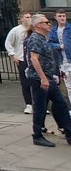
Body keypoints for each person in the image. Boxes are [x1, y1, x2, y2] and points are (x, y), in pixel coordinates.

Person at [26, 13, 71, 147]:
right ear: (38, 25)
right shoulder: (35, 39)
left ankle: (69, 133)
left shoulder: (43, 38)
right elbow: (34, 59)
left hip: (49, 78)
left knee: (61, 104)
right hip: (40, 79)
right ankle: (37, 135)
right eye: (46, 22)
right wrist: (43, 78)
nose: (49, 24)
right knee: (40, 107)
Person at [6, 11, 34, 114]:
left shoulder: (34, 29)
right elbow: (8, 43)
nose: (29, 19)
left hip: (34, 59)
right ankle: (29, 104)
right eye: (26, 17)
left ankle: (40, 105)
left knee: (37, 82)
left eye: (30, 17)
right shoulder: (16, 30)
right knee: (25, 83)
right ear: (21, 19)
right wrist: (13, 55)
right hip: (22, 59)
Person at [48, 9, 71, 94]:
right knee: (69, 86)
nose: (62, 18)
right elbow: (50, 44)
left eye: (63, 16)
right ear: (55, 18)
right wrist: (59, 46)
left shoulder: (69, 28)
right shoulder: (53, 31)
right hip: (62, 62)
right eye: (60, 16)